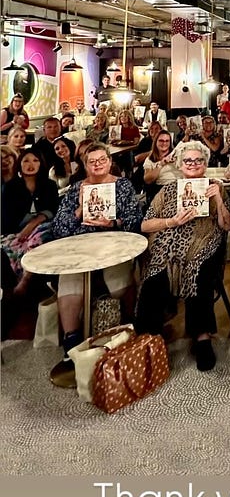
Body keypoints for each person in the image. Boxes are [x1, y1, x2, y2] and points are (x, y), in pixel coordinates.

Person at [44, 143, 142, 384]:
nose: (97, 164)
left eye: (102, 160)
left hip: (114, 244)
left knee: (119, 283)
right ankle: (71, 344)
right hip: (80, 247)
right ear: (85, 165)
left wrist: (114, 223)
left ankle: (129, 329)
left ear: (109, 162)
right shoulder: (76, 188)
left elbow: (135, 220)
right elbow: (59, 228)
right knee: (70, 281)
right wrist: (79, 209)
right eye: (92, 161)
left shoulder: (122, 185)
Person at [136, 140, 230, 372]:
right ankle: (150, 338)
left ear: (205, 164)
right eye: (188, 160)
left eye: (198, 160)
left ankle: (201, 336)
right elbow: (145, 225)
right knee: (155, 275)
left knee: (198, 271)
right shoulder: (168, 190)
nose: (193, 164)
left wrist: (218, 198)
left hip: (203, 242)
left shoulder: (215, 187)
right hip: (167, 245)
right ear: (180, 164)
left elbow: (227, 225)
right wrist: (172, 221)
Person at [1, 146, 60, 295]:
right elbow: (8, 218)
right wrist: (28, 224)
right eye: (26, 161)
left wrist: (36, 221)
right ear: (19, 164)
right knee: (11, 246)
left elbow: (54, 210)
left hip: (43, 228)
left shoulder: (50, 185)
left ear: (41, 164)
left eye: (35, 160)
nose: (30, 164)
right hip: (17, 230)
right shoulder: (10, 187)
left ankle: (26, 279)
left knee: (44, 232)